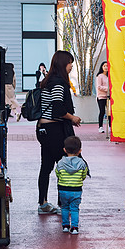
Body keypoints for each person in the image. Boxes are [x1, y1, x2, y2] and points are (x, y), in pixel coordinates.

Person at [36, 50, 81, 214]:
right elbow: (57, 109)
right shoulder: (58, 83)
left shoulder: (48, 80)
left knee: (46, 167)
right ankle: (63, 204)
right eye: (70, 63)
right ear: (63, 64)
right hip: (54, 129)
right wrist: (73, 118)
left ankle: (43, 203)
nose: (71, 67)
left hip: (44, 129)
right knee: (63, 166)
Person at [55, 135, 89, 235]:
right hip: (76, 190)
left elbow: (57, 173)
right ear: (79, 151)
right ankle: (74, 228)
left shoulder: (61, 162)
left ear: (64, 150)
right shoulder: (82, 163)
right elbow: (84, 174)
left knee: (64, 207)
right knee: (74, 209)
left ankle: (65, 226)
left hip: (63, 189)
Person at [95, 61, 110, 133]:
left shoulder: (110, 76)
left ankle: (110, 126)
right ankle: (100, 127)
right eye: (104, 66)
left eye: (107, 66)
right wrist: (108, 89)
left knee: (110, 112)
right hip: (101, 96)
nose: (106, 67)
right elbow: (99, 86)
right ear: (102, 67)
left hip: (109, 96)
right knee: (102, 111)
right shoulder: (99, 76)